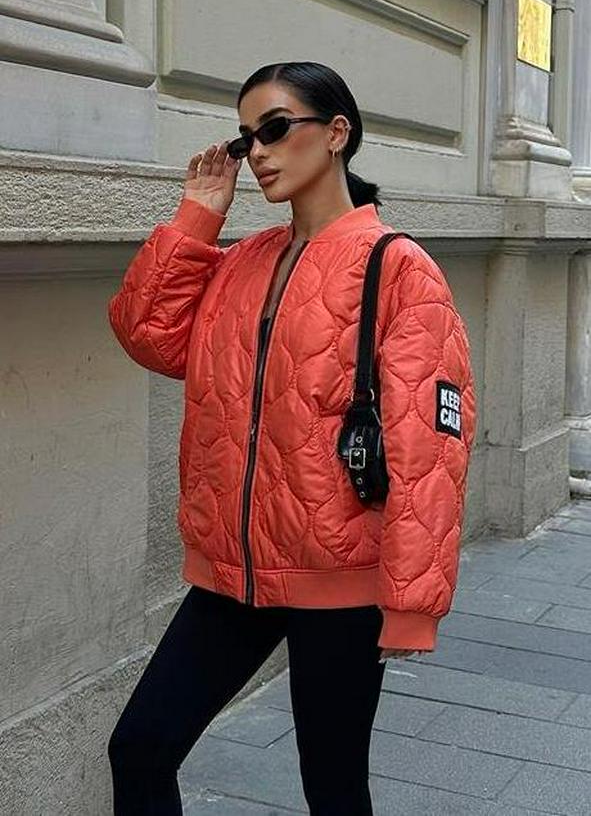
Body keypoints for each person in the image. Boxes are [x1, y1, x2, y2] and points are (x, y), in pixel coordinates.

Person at [106, 61, 477, 815]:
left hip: (341, 577)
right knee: (139, 746)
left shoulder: (396, 267)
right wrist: (197, 218)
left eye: (275, 129)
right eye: (247, 138)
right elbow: (148, 335)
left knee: (332, 787)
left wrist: (411, 602)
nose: (259, 153)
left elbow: (430, 445)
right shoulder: (243, 262)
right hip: (234, 572)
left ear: (336, 133)